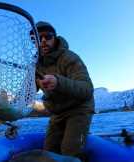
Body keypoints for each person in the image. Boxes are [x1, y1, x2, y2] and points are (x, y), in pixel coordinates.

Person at [33, 21, 95, 161]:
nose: (43, 41)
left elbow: (87, 89)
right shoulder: (35, 65)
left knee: (69, 151)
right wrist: (1, 113)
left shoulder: (69, 57)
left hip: (79, 109)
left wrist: (58, 82)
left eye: (47, 37)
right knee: (48, 152)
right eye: (38, 38)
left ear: (54, 38)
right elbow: (25, 95)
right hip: (57, 113)